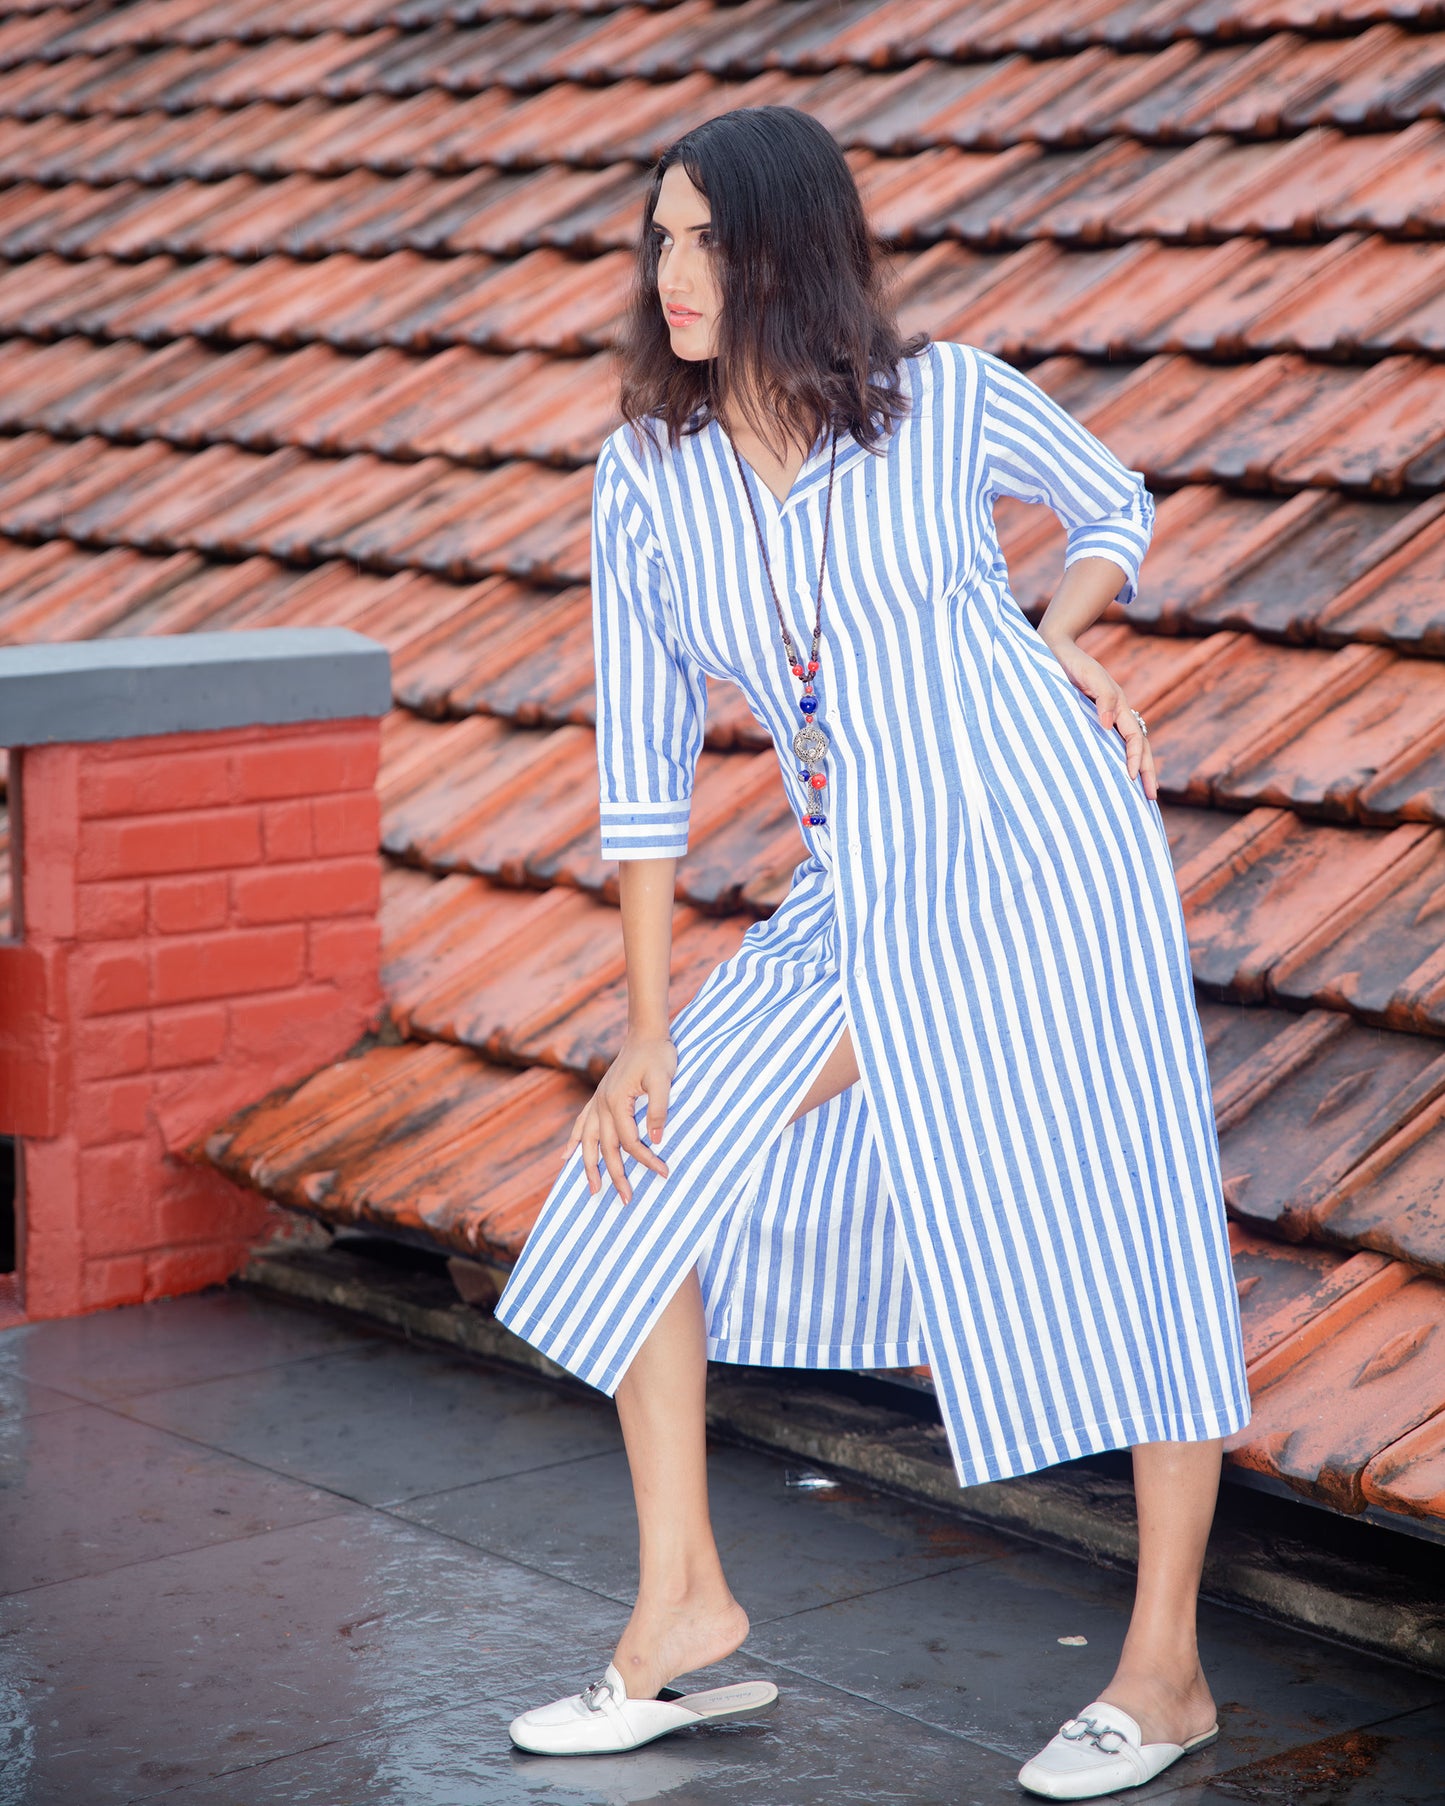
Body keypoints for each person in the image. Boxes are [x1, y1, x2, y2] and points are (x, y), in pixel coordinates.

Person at [496, 105, 1251, 1798]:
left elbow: (1111, 499)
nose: (677, 272)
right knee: (639, 1164)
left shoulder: (944, 400)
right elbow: (640, 765)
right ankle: (682, 1605)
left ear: (794, 251)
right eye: (662, 238)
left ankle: (1166, 1667)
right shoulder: (647, 475)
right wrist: (639, 1023)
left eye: (712, 239)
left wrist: (1060, 631)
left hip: (1039, 854)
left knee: (1127, 1205)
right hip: (859, 882)